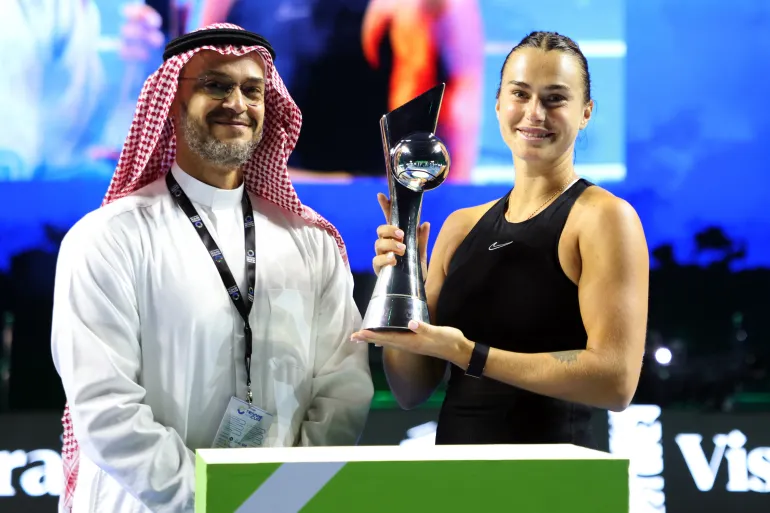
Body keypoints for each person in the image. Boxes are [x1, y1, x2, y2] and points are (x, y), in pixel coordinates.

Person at [51, 24, 373, 513]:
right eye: (215, 85)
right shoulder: (108, 238)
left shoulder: (311, 242)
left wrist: (279, 499)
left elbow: (343, 390)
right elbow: (106, 409)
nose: (237, 103)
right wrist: (214, 502)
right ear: (171, 103)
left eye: (252, 90)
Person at [353, 31, 649, 448]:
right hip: (457, 474)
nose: (534, 113)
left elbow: (614, 382)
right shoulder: (460, 227)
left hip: (555, 475)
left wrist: (468, 354)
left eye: (555, 99)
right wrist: (405, 284)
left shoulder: (603, 218)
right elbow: (410, 389)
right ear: (497, 105)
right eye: (520, 94)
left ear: (585, 113)